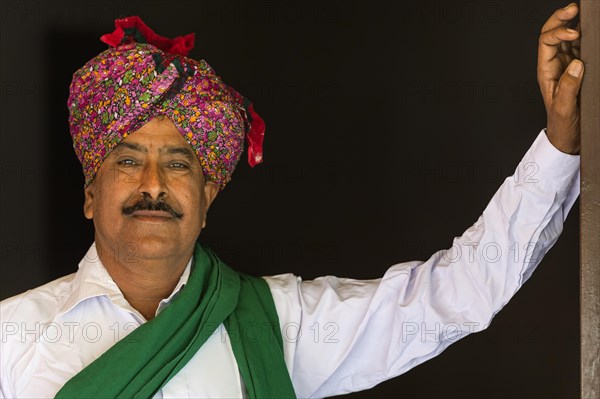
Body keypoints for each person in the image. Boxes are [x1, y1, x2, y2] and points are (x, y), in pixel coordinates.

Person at [0, 3, 584, 398]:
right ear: (88, 194)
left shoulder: (275, 324)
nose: (153, 183)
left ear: (207, 198)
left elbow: (450, 297)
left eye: (178, 163)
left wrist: (562, 143)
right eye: (127, 161)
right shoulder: (11, 339)